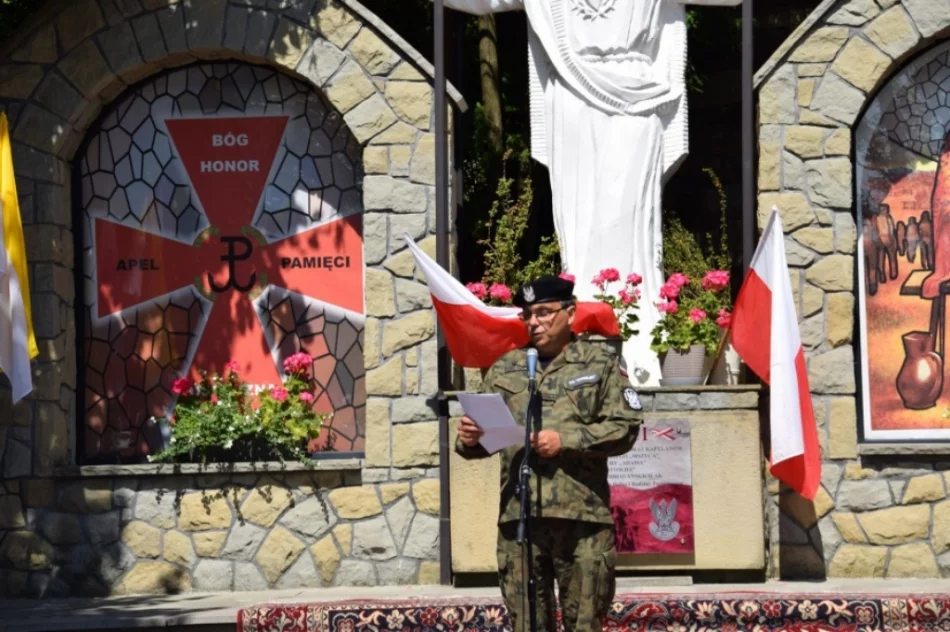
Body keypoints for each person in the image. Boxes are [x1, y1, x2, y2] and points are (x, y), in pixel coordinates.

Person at [455, 274, 644, 632]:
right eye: (527, 315)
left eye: (543, 312)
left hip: (582, 519)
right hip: (521, 519)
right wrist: (470, 437)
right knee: (527, 625)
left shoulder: (600, 364)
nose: (534, 323)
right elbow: (483, 440)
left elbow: (625, 427)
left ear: (570, 314)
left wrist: (566, 440)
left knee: (584, 624)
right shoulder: (505, 368)